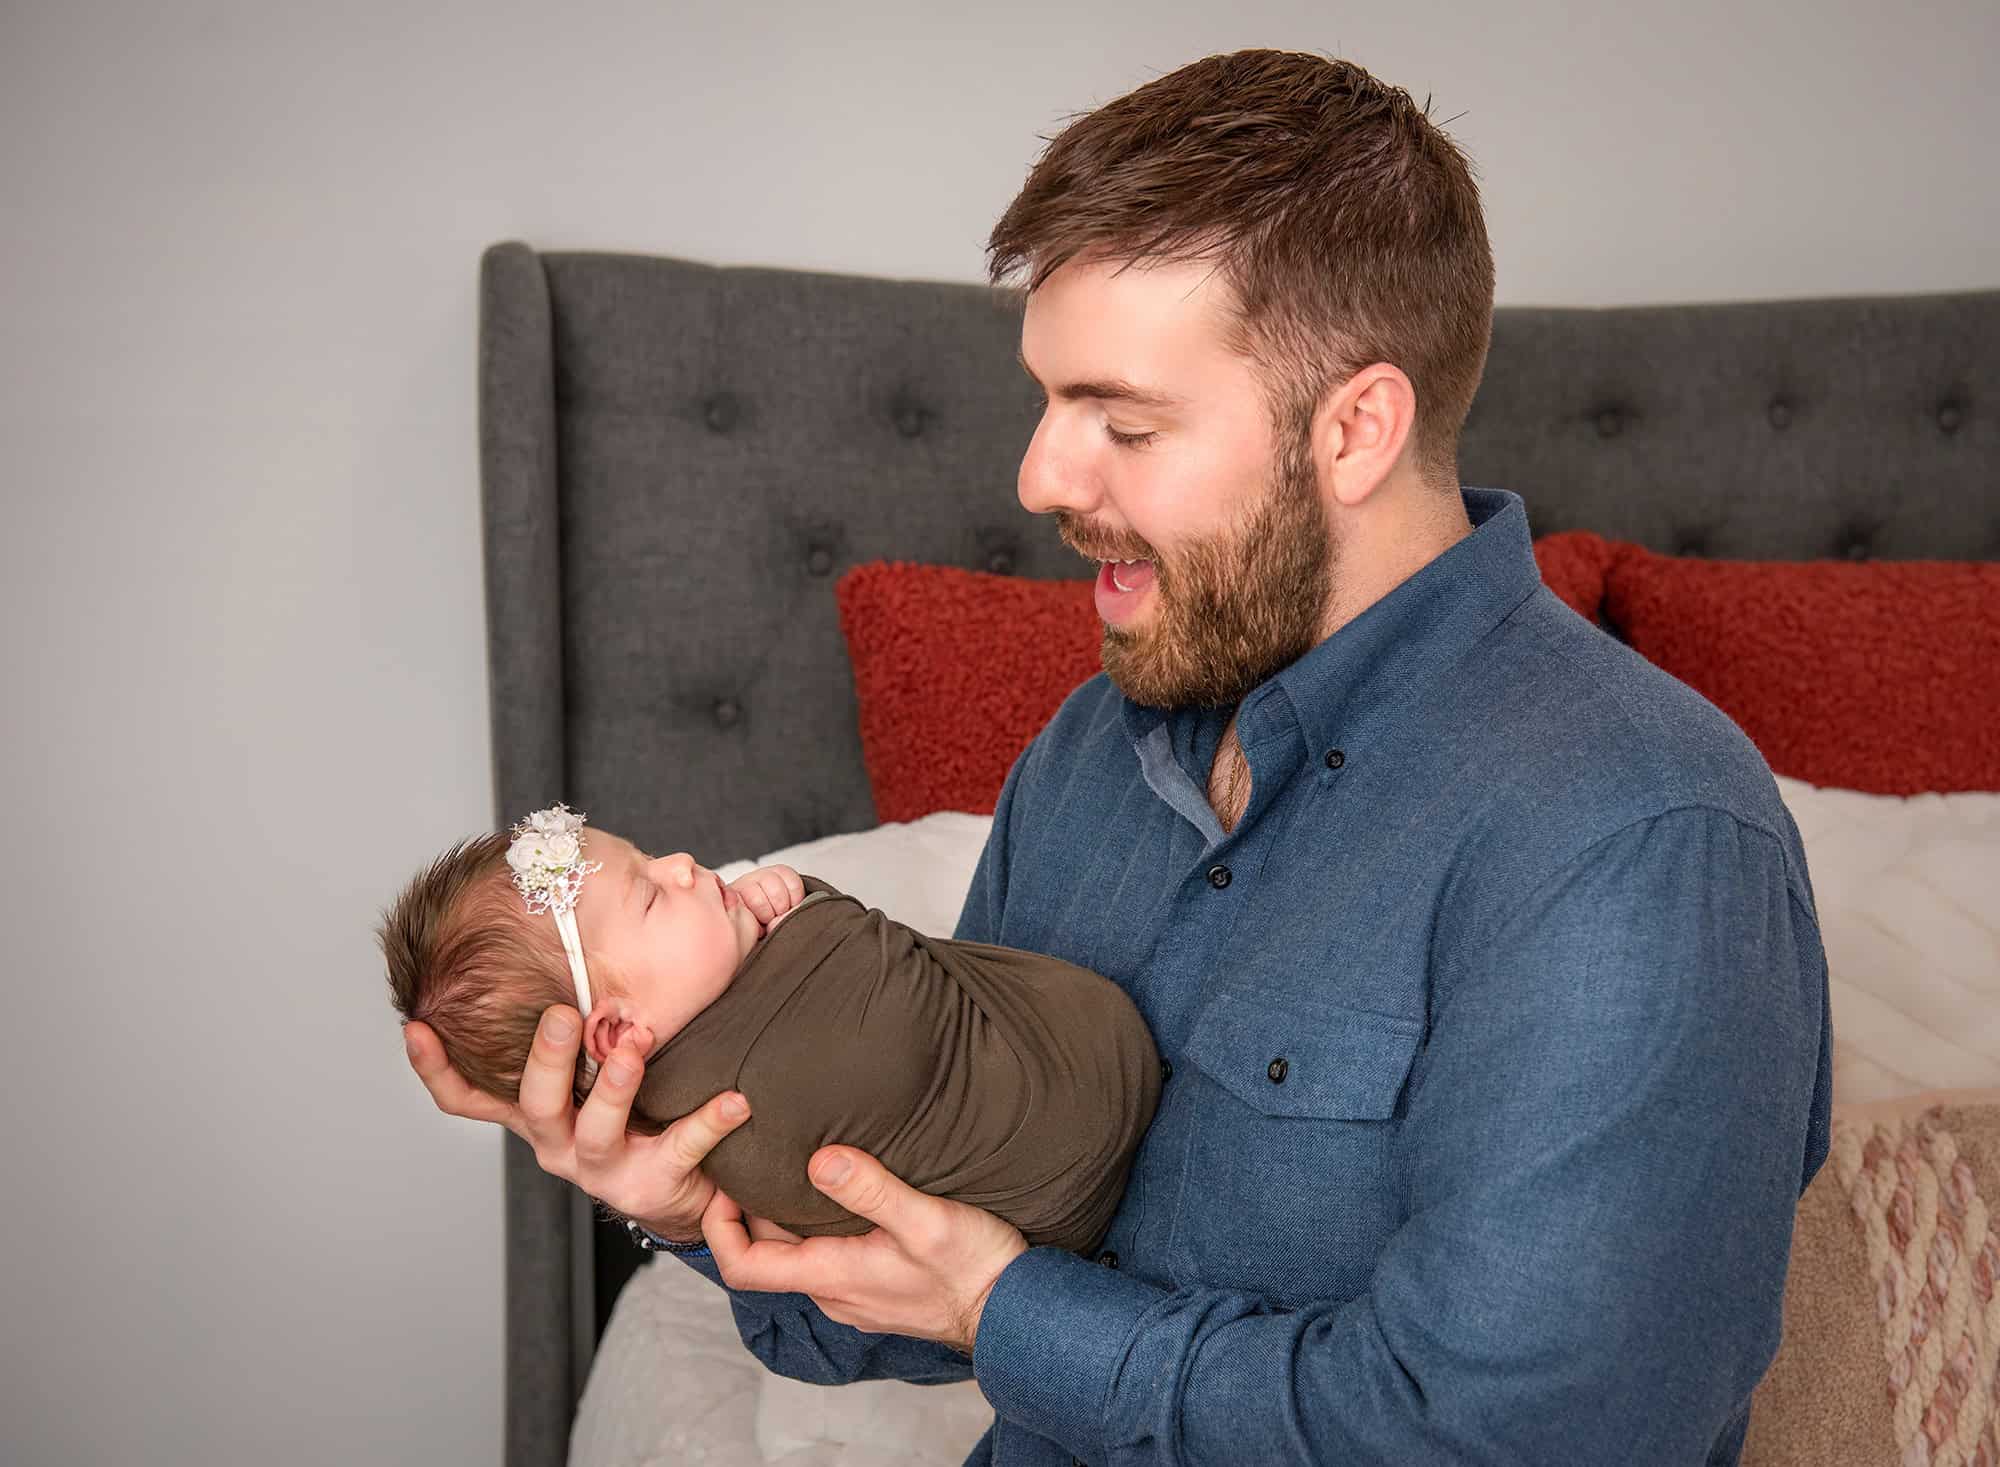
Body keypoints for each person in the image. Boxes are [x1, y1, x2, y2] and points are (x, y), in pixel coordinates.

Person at [405, 47, 1832, 1464]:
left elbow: (1511, 1441)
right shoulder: (1092, 753)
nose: (1038, 478)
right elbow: (888, 1283)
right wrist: (672, 1176)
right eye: (1046, 400)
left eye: (1124, 422)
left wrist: (1011, 1308)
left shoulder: (1637, 836)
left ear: (1355, 429)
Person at [380, 807, 1158, 1252]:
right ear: (616, 1034)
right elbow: (873, 967)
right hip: (1078, 1125)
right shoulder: (740, 1101)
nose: (684, 864)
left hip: (1071, 1175)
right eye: (651, 894)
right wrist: (807, 908)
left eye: (651, 858)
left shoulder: (707, 1050)